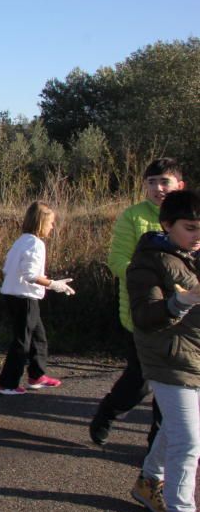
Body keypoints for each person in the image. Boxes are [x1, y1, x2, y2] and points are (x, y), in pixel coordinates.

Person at [91, 158, 186, 445]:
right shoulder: (132, 217)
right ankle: (108, 411)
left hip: (183, 318)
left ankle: (154, 453)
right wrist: (152, 281)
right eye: (151, 182)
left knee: (173, 389)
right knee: (139, 384)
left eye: (164, 181)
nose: (158, 188)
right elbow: (117, 260)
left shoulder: (191, 216)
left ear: (179, 185)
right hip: (142, 314)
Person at [127, 189, 200, 512]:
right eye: (191, 227)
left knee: (175, 427)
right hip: (168, 359)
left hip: (194, 356)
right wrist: (184, 300)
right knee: (188, 443)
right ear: (167, 224)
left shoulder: (193, 254)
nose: (198, 236)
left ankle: (149, 481)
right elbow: (145, 315)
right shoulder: (148, 260)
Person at [0, 202, 76, 395]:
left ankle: (37, 375)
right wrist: (53, 284)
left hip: (14, 295)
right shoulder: (35, 243)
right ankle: (7, 383)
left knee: (38, 337)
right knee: (22, 341)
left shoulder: (21, 240)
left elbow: (9, 268)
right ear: (40, 223)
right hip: (24, 298)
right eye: (50, 223)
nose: (52, 227)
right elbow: (30, 274)